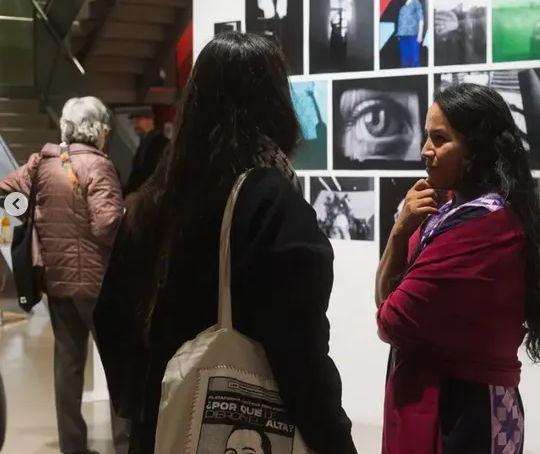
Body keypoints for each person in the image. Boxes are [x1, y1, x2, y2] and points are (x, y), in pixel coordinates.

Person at [92, 31, 357, 454]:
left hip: (166, 430)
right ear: (275, 103)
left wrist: (148, 401)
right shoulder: (270, 203)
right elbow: (302, 358)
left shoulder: (153, 201)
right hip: (238, 434)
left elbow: (110, 318)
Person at [375, 83, 540, 454]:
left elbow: (390, 317)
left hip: (468, 414)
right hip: (441, 401)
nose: (425, 151)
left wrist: (401, 241)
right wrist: (399, 231)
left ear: (476, 147)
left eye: (439, 139)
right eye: (427, 136)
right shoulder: (444, 213)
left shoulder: (485, 226)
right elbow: (388, 302)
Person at [0, 96, 129, 454]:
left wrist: (28, 214)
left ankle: (73, 446)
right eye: (105, 127)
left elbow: (7, 190)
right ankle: (125, 444)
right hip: (100, 285)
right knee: (120, 367)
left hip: (57, 283)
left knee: (68, 366)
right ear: (96, 129)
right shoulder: (98, 167)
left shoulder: (42, 162)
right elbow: (106, 226)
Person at [122, 110, 169, 196]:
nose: (134, 126)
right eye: (132, 123)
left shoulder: (161, 143)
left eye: (137, 121)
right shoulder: (144, 142)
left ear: (149, 120)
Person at [395, 0, 425, 68]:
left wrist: (420, 34)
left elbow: (421, 18)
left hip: (412, 35)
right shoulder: (402, 6)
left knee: (415, 60)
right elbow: (401, 20)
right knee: (404, 61)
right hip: (402, 36)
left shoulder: (415, 2)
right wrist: (398, 33)